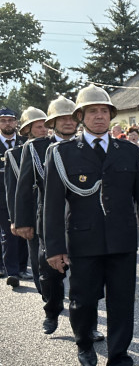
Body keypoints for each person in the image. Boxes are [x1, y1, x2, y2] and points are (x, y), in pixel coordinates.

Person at [43, 85, 139, 366]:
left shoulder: (129, 151)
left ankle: (119, 359)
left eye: (104, 111)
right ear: (80, 116)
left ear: (111, 115)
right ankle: (83, 340)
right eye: (92, 111)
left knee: (122, 301)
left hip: (121, 240)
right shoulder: (63, 153)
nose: (99, 116)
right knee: (83, 299)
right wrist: (54, 248)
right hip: (83, 240)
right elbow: (52, 206)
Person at [14, 96, 79, 335]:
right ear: (51, 122)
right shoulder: (36, 147)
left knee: (85, 277)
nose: (68, 122)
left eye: (72, 117)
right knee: (50, 275)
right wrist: (22, 221)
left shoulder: (87, 145)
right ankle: (52, 312)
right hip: (49, 221)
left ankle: (86, 324)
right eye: (61, 118)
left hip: (80, 221)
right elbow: (23, 186)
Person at [5, 107, 47, 291]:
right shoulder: (15, 153)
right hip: (29, 210)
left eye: (46, 126)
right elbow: (13, 189)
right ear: (28, 129)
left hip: (51, 209)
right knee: (37, 256)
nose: (44, 130)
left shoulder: (54, 148)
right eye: (39, 127)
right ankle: (43, 290)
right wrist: (16, 220)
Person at [0, 106, 29, 287]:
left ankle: (21, 267)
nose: (7, 123)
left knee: (24, 233)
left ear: (16, 122)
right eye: (3, 120)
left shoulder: (25, 143)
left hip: (23, 197)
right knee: (9, 235)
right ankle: (12, 271)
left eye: (10, 120)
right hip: (1, 198)